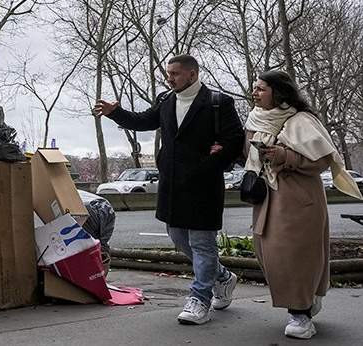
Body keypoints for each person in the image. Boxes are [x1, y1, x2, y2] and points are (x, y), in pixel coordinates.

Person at [94, 55, 244, 324]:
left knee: (201, 242)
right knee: (177, 237)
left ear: (193, 74)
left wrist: (210, 163)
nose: (169, 78)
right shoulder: (166, 100)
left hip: (204, 184)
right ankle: (222, 276)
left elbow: (234, 140)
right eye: (168, 73)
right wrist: (114, 112)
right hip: (172, 184)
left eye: (175, 73)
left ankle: (199, 299)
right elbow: (143, 121)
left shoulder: (218, 102)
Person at [244, 70, 362, 339]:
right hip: (266, 197)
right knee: (267, 253)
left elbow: (321, 160)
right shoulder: (254, 119)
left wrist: (285, 155)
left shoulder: (302, 120)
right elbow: (248, 156)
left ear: (278, 92)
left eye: (261, 89)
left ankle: (301, 313)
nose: (255, 93)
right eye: (255, 88)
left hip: (297, 198)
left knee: (294, 256)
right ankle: (305, 299)